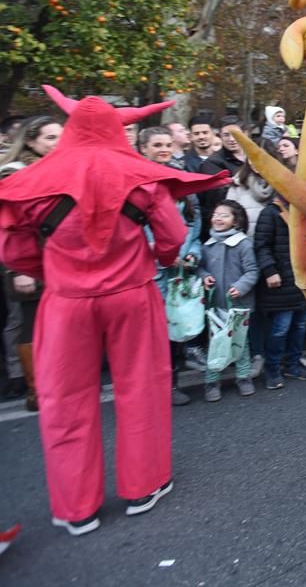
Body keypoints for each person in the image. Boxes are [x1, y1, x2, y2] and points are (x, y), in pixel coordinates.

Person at [0, 87, 227, 536]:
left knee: (64, 401)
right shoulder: (139, 178)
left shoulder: (35, 179)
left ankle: (76, 507)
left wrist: (53, 271)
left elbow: (15, 248)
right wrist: (159, 261)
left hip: (65, 301)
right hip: (132, 294)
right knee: (141, 388)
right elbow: (171, 235)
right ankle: (143, 487)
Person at [0, 115, 63, 412]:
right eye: (50, 138)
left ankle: (57, 382)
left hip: (57, 257)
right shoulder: (13, 172)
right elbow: (9, 228)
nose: (57, 143)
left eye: (60, 136)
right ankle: (35, 388)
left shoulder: (54, 169)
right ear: (30, 140)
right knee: (30, 322)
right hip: (24, 261)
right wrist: (18, 270)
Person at [139, 126, 203, 407]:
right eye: (156, 145)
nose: (163, 149)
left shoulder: (180, 180)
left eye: (167, 143)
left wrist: (191, 254)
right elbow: (136, 229)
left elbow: (194, 224)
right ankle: (148, 388)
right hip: (149, 272)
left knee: (175, 331)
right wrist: (162, 253)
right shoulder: (136, 184)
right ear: (143, 149)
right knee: (150, 334)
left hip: (181, 272)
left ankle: (172, 383)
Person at [255, 193, 306, 390]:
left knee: (300, 325)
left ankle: (293, 365)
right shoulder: (270, 213)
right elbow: (261, 246)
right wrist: (270, 271)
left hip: (302, 280)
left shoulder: (304, 213)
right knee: (280, 328)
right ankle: (272, 369)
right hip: (281, 280)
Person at [200, 200, 260, 401]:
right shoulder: (207, 245)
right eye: (216, 214)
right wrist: (204, 276)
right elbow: (201, 268)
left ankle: (243, 377)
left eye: (224, 215)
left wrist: (241, 287)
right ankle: (212, 381)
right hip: (215, 305)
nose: (218, 218)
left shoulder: (243, 244)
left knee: (241, 343)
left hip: (239, 305)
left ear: (236, 221)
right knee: (214, 343)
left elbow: (252, 271)